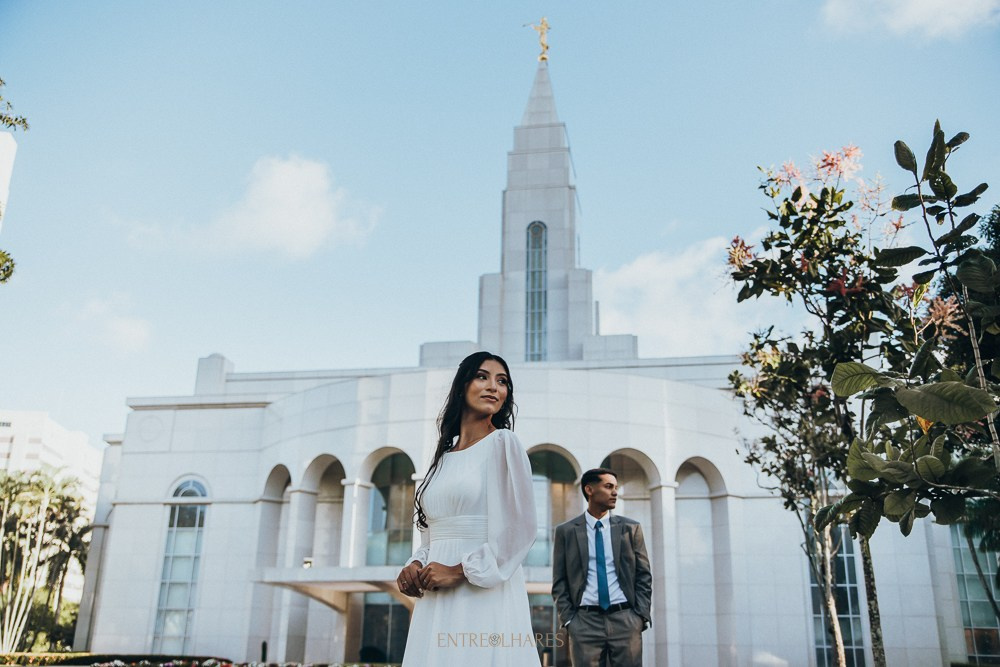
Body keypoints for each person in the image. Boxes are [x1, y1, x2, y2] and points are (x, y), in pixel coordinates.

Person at [396, 351, 541, 666]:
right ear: (462, 386)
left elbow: (520, 529)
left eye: (502, 381)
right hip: (434, 597)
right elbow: (431, 535)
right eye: (482, 376)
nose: (493, 387)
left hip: (482, 591)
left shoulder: (504, 443)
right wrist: (415, 564)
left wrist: (458, 571)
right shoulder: (443, 457)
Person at [552, 468, 652, 667]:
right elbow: (559, 581)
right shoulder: (566, 531)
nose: (615, 492)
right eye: (608, 487)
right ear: (589, 489)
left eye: (616, 487)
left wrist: (640, 616)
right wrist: (570, 620)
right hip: (584, 623)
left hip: (626, 620)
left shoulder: (630, 529)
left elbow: (644, 575)